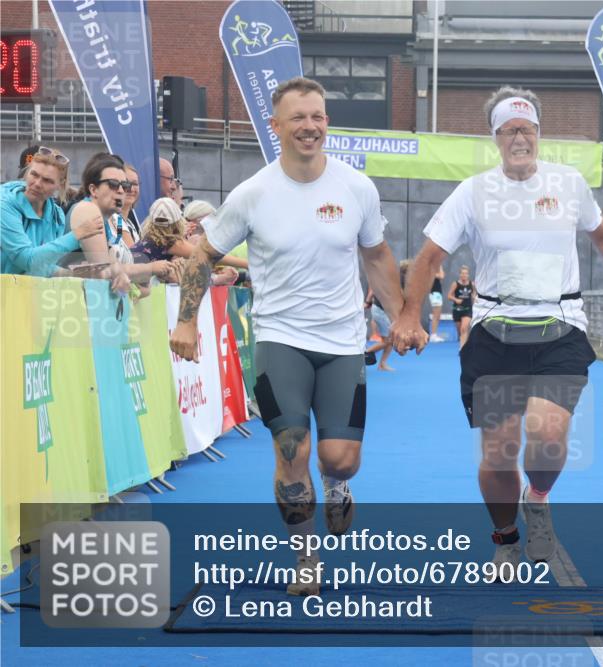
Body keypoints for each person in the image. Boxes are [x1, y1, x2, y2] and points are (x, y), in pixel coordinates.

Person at [392, 86, 603, 577]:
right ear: (495, 137)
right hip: (495, 332)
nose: (519, 138)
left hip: (560, 327)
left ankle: (537, 496)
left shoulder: (568, 183)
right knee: (499, 454)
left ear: (539, 133)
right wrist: (410, 315)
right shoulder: (473, 192)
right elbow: (430, 255)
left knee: (548, 437)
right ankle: (505, 538)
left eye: (527, 129)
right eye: (508, 130)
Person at [169, 76, 409, 596]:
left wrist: (402, 317)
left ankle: (337, 484)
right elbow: (203, 255)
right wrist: (186, 320)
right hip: (280, 338)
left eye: (317, 116)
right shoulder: (253, 193)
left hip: (343, 342)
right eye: (298, 117)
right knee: (290, 448)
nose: (310, 126)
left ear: (327, 123)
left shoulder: (356, 188)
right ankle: (306, 557)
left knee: (340, 458)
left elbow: (376, 255)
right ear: (276, 126)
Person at [67, 153, 171, 292]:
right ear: (93, 189)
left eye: (125, 185)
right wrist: (149, 268)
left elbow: (110, 269)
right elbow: (103, 269)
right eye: (113, 184)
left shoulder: (110, 219)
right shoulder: (88, 210)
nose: (122, 190)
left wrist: (140, 279)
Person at [1, 147, 103, 277]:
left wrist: (74, 274)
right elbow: (27, 260)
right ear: (26, 173)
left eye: (47, 180)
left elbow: (42, 265)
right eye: (34, 174)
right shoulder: (4, 205)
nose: (37, 183)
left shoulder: (57, 215)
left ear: (60, 184)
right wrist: (76, 235)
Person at [447, 265, 476, 348]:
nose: (464, 275)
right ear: (460, 274)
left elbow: (474, 294)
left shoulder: (471, 284)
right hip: (457, 309)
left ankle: (463, 348)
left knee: (464, 328)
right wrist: (456, 299)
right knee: (460, 330)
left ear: (468, 275)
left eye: (466, 273)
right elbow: (449, 296)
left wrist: (474, 298)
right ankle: (462, 341)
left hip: (468, 309)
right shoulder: (455, 284)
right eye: (462, 273)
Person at [119, 164, 142, 246]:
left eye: (135, 184)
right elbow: (133, 253)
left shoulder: (130, 224)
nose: (131, 189)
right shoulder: (114, 220)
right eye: (126, 183)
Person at [428, 265, 446, 342]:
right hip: (434, 293)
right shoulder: (431, 268)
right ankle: (433, 335)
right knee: (436, 315)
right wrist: (439, 267)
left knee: (437, 315)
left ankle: (434, 334)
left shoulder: (436, 267)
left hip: (437, 293)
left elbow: (442, 275)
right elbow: (441, 276)